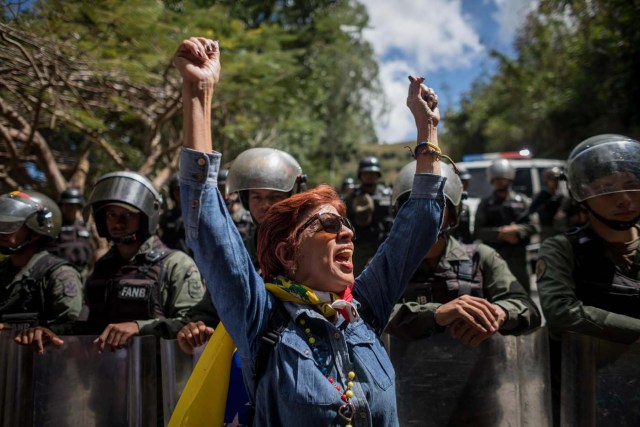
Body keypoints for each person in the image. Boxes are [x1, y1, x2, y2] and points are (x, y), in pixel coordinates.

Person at [173, 36, 445, 425]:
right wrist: (198, 94)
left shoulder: (362, 311)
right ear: (288, 253)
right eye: (330, 226)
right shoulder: (262, 321)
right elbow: (211, 231)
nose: (348, 234)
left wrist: (427, 129)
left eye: (347, 225)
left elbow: (419, 224)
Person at [14, 171, 211, 352]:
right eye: (111, 215)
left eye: (128, 215)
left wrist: (138, 328)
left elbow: (193, 324)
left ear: (145, 218)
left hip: (158, 379)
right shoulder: (103, 267)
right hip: (110, 376)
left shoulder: (175, 264)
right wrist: (51, 332)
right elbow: (90, 324)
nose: (118, 223)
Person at [536, 134, 640, 425]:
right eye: (606, 189)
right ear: (582, 196)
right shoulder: (562, 249)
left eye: (632, 185)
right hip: (589, 390)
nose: (624, 198)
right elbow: (559, 311)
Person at [386, 160, 541, 345]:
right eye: (413, 206)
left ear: (452, 213)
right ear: (400, 213)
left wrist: (500, 313)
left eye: (436, 205)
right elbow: (366, 311)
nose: (425, 214)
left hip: (475, 369)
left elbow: (528, 309)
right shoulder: (387, 264)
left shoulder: (481, 257)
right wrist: (435, 314)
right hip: (405, 371)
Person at [0, 190, 83, 331]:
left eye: (11, 225)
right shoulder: (3, 271)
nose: (2, 231)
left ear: (36, 233)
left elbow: (70, 329)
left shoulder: (59, 275)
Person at [225, 146, 306, 267]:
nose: (265, 205)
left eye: (274, 197)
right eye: (257, 197)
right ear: (246, 200)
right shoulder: (242, 251)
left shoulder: (306, 246)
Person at [474, 158, 539, 292]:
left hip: (519, 258)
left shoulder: (523, 201)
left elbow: (534, 226)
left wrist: (517, 230)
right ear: (492, 181)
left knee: (522, 294)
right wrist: (501, 234)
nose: (500, 182)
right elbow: (478, 231)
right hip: (495, 258)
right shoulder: (486, 204)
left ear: (509, 179)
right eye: (497, 180)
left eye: (502, 179)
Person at [344, 156, 393, 275]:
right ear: (360, 175)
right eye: (366, 173)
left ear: (378, 175)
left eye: (373, 173)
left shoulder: (387, 195)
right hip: (360, 247)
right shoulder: (352, 197)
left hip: (383, 246)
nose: (370, 176)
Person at [46, 187, 93, 274]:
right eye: (66, 204)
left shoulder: (84, 227)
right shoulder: (55, 227)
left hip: (82, 271)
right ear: (61, 206)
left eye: (73, 205)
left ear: (79, 206)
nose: (70, 208)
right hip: (60, 271)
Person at [528, 167, 567, 240]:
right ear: (547, 181)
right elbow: (531, 210)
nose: (556, 183)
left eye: (557, 180)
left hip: (559, 229)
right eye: (553, 180)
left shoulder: (560, 196)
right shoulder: (542, 195)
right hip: (547, 229)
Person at [159, 175, 192, 255]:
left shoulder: (197, 214)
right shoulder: (167, 217)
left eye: (182, 189)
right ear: (172, 192)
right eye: (177, 189)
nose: (179, 192)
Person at [219, 168, 253, 240]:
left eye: (229, 190)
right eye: (222, 190)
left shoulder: (247, 216)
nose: (226, 195)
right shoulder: (213, 216)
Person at [450, 166, 473, 243]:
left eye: (466, 182)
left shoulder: (465, 208)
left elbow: (467, 235)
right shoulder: (444, 206)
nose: (465, 185)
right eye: (462, 181)